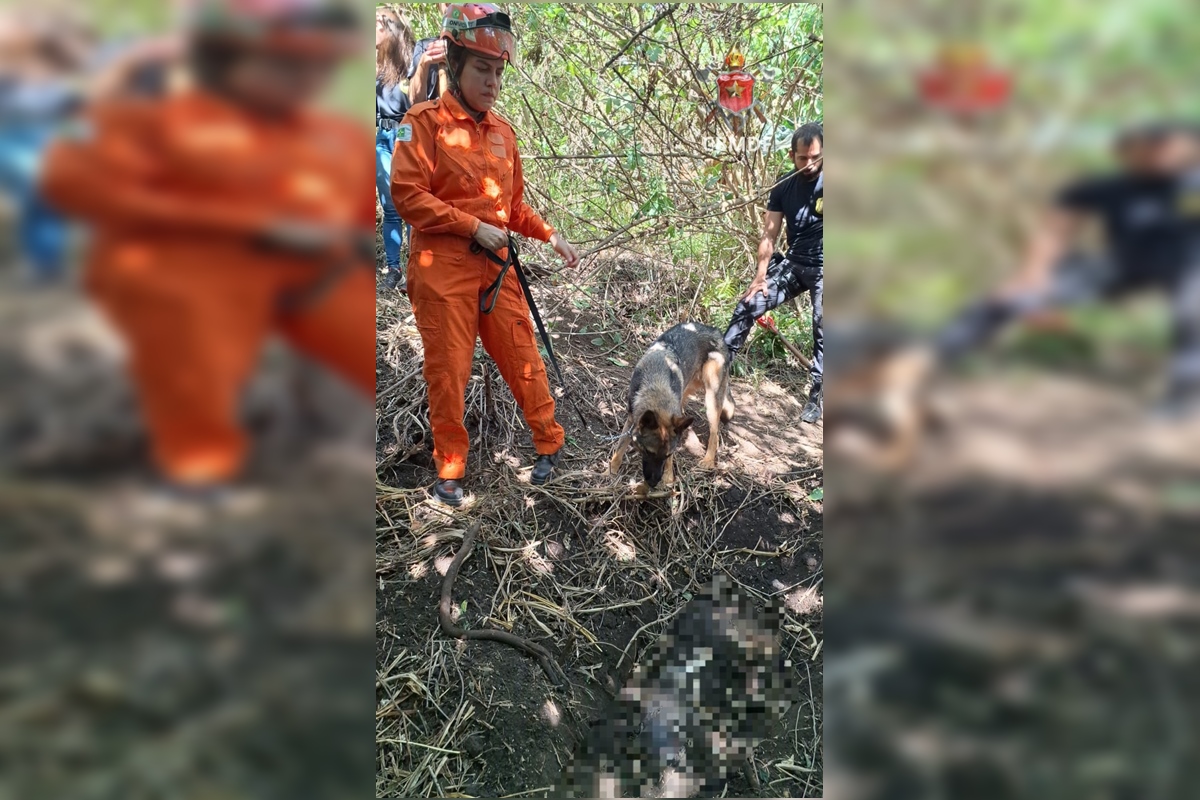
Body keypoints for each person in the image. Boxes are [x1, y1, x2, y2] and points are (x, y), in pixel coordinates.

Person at [39, 0, 376, 507]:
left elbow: (364, 216)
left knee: (365, 334)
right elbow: (70, 182)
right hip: (191, 270)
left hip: (316, 275)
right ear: (223, 56)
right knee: (185, 315)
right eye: (287, 63)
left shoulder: (336, 135)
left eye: (321, 65)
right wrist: (245, 223)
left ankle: (348, 443)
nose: (309, 79)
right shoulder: (150, 118)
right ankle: (197, 468)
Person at [390, 2, 580, 507]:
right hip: (441, 269)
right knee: (448, 371)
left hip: (496, 268)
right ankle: (450, 471)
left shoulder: (503, 133)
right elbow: (407, 195)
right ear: (454, 64)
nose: (493, 82)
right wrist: (472, 226)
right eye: (482, 69)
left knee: (523, 355)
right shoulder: (422, 123)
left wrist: (550, 234)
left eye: (498, 72)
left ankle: (549, 444)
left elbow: (512, 207)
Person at [934, 122, 1200, 418]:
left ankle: (1181, 396)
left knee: (1193, 312)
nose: (1160, 151)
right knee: (1009, 299)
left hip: (1191, 266)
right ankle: (933, 357)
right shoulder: (1102, 187)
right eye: (1151, 144)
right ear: (1125, 151)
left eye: (1170, 144)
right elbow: (1053, 233)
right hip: (1122, 265)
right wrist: (1033, 277)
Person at [722, 122, 825, 423]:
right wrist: (760, 276)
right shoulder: (783, 186)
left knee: (823, 325)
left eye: (816, 157)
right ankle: (718, 372)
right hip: (794, 264)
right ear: (792, 155)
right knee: (748, 305)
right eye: (803, 158)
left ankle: (817, 397)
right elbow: (769, 234)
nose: (810, 163)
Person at [376, 6, 416, 290]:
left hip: (407, 135)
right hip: (381, 136)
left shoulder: (412, 62)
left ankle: (417, 266)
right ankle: (394, 270)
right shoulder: (372, 66)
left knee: (411, 203)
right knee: (390, 206)